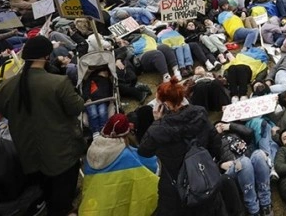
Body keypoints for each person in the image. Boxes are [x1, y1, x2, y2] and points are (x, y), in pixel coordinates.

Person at [0, 35, 85, 216]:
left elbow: (4, 112)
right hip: (61, 153)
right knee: (61, 200)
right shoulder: (57, 83)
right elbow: (76, 108)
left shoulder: (6, 86)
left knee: (45, 189)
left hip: (28, 152)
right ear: (46, 56)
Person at [137, 78, 241, 216]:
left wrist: (157, 121)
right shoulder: (200, 114)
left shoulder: (158, 129)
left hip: (176, 189)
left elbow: (144, 151)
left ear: (166, 104)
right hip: (203, 176)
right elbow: (215, 144)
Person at [81, 113, 159, 216]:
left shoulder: (91, 150)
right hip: (120, 198)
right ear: (126, 133)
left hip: (97, 203)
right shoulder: (127, 154)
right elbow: (153, 166)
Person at [214, 120, 273, 216]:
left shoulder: (236, 133)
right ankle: (253, 210)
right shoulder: (214, 142)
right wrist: (220, 165)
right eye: (216, 126)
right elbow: (209, 163)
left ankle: (266, 204)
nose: (220, 126)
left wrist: (231, 126)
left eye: (222, 124)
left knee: (258, 154)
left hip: (249, 165)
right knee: (243, 162)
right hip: (232, 171)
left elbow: (249, 132)